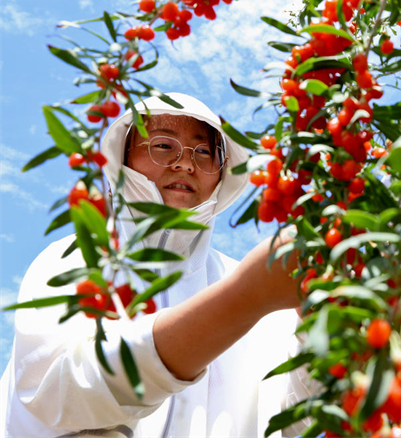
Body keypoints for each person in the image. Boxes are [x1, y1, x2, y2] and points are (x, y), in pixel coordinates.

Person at [0, 93, 310, 437]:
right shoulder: (80, 261)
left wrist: (315, 325)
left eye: (204, 151)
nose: (185, 164)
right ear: (123, 159)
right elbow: (60, 392)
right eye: (163, 145)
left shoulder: (262, 286)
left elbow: (294, 418)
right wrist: (244, 299)